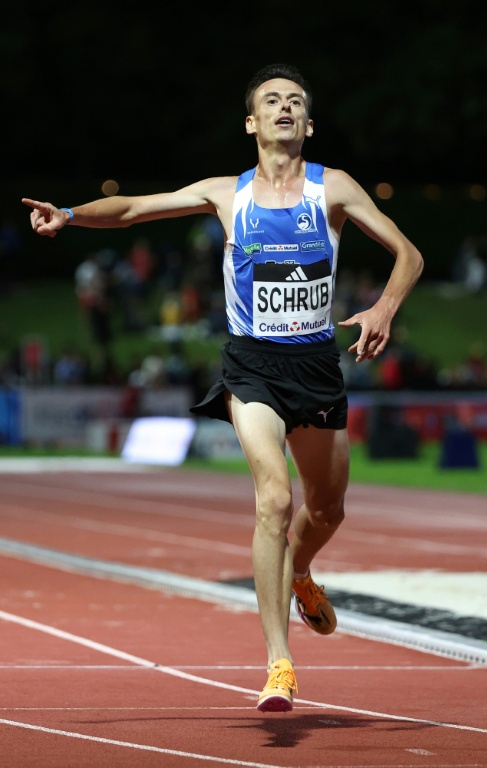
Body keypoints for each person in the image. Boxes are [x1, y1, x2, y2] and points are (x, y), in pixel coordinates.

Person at [22, 62, 423, 713]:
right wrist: (70, 213)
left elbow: (411, 254)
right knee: (272, 497)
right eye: (272, 101)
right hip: (252, 370)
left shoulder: (336, 189)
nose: (285, 108)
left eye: (296, 100)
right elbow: (130, 209)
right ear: (252, 122)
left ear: (309, 122)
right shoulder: (224, 193)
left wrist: (383, 308)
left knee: (325, 511)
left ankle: (300, 570)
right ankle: (278, 663)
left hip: (317, 368)